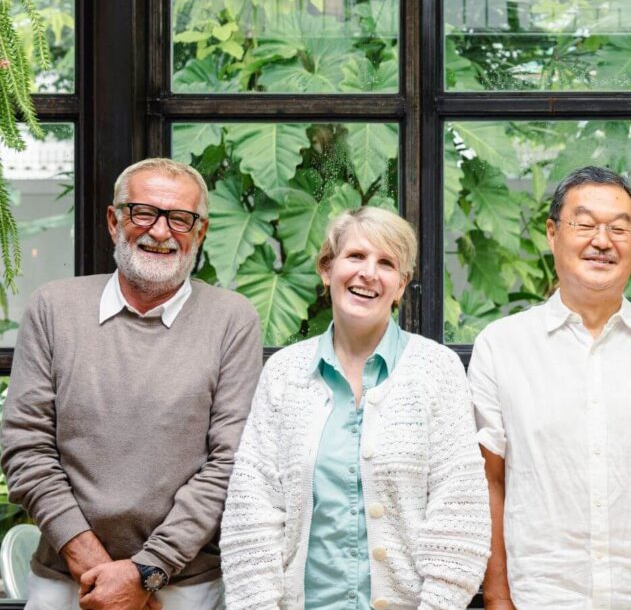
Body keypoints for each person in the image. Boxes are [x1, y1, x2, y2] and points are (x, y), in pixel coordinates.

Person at [0, 158, 263, 609]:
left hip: (184, 587)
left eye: (181, 219)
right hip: (67, 581)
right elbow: (26, 448)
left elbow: (230, 463)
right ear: (114, 220)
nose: (161, 232)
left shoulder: (231, 320)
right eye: (144, 212)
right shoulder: (53, 309)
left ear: (200, 232)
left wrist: (146, 572)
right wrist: (94, 567)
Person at [469, 166, 631, 609]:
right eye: (584, 225)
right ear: (552, 233)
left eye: (620, 228)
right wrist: (497, 598)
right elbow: (489, 478)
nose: (602, 241)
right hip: (540, 600)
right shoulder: (502, 346)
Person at [220, 206, 490, 609]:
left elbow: (460, 510)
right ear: (327, 269)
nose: (369, 273)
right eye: (356, 257)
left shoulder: (437, 369)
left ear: (401, 286)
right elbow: (251, 512)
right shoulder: (284, 373)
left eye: (386, 263)